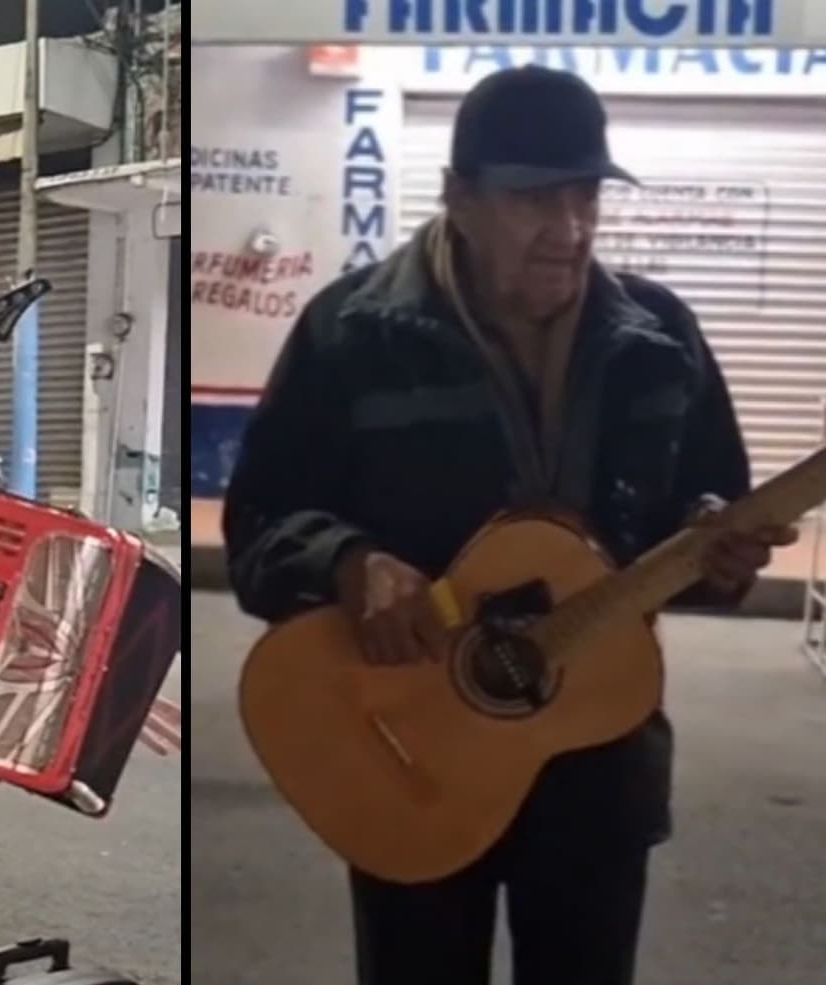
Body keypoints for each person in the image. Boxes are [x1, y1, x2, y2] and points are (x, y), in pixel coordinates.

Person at [221, 65, 796, 985]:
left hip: (596, 768)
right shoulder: (353, 334)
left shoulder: (662, 342)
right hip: (409, 755)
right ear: (459, 197)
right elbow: (256, 523)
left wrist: (719, 553)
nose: (567, 232)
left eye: (585, 198)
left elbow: (708, 520)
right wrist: (348, 561)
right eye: (534, 200)